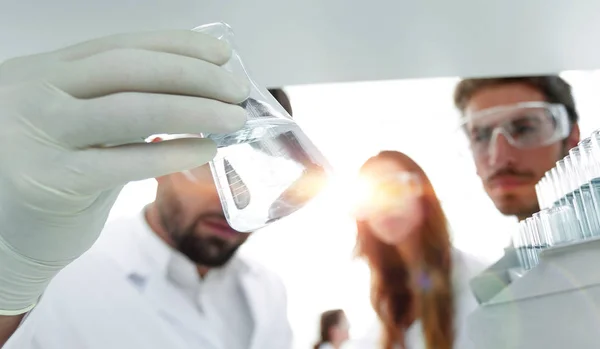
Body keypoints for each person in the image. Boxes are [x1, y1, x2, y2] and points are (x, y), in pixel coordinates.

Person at [0, 29, 290, 347]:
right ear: (160, 158)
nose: (237, 197)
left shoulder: (267, 292)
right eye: (216, 168)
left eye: (260, 173)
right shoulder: (68, 278)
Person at [452, 76, 581, 303]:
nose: (499, 157)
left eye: (524, 129)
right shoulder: (502, 277)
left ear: (571, 138)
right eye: (480, 136)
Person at [351, 151, 486, 349]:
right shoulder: (385, 299)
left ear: (422, 192)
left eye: (392, 188)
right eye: (370, 196)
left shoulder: (477, 280)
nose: (383, 204)